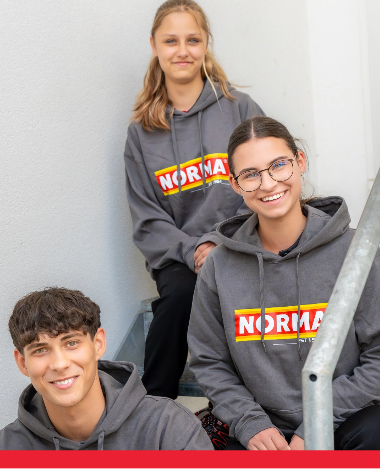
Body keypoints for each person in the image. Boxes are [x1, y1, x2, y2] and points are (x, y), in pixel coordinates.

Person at [187, 116, 380, 450]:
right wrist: (250, 423)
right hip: (260, 432)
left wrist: (316, 424)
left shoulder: (357, 253)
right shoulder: (219, 266)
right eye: (250, 174)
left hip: (340, 421)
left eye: (278, 165)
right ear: (235, 184)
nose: (268, 184)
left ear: (300, 162)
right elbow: (209, 361)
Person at [124, 0, 265, 399]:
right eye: (171, 41)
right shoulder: (142, 131)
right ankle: (154, 408)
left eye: (192, 40)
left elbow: (263, 181)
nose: (182, 50)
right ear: (154, 45)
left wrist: (220, 240)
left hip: (241, 242)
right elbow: (147, 216)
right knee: (180, 294)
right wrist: (194, 249)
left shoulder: (239, 109)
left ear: (206, 44)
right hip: (180, 257)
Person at [0, 287, 213, 450]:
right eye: (41, 350)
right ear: (22, 362)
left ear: (98, 344)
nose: (60, 364)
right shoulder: (3, 449)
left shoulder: (168, 428)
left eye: (71, 343)